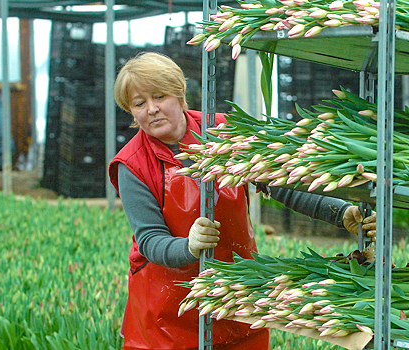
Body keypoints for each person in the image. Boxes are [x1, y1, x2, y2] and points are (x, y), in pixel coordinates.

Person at [108, 52, 376, 350]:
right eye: (139, 103)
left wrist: (339, 213)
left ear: (180, 94)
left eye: (160, 96)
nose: (153, 109)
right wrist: (189, 246)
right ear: (131, 112)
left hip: (238, 288)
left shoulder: (223, 131)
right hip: (168, 309)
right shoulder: (131, 164)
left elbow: (279, 183)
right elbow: (150, 239)